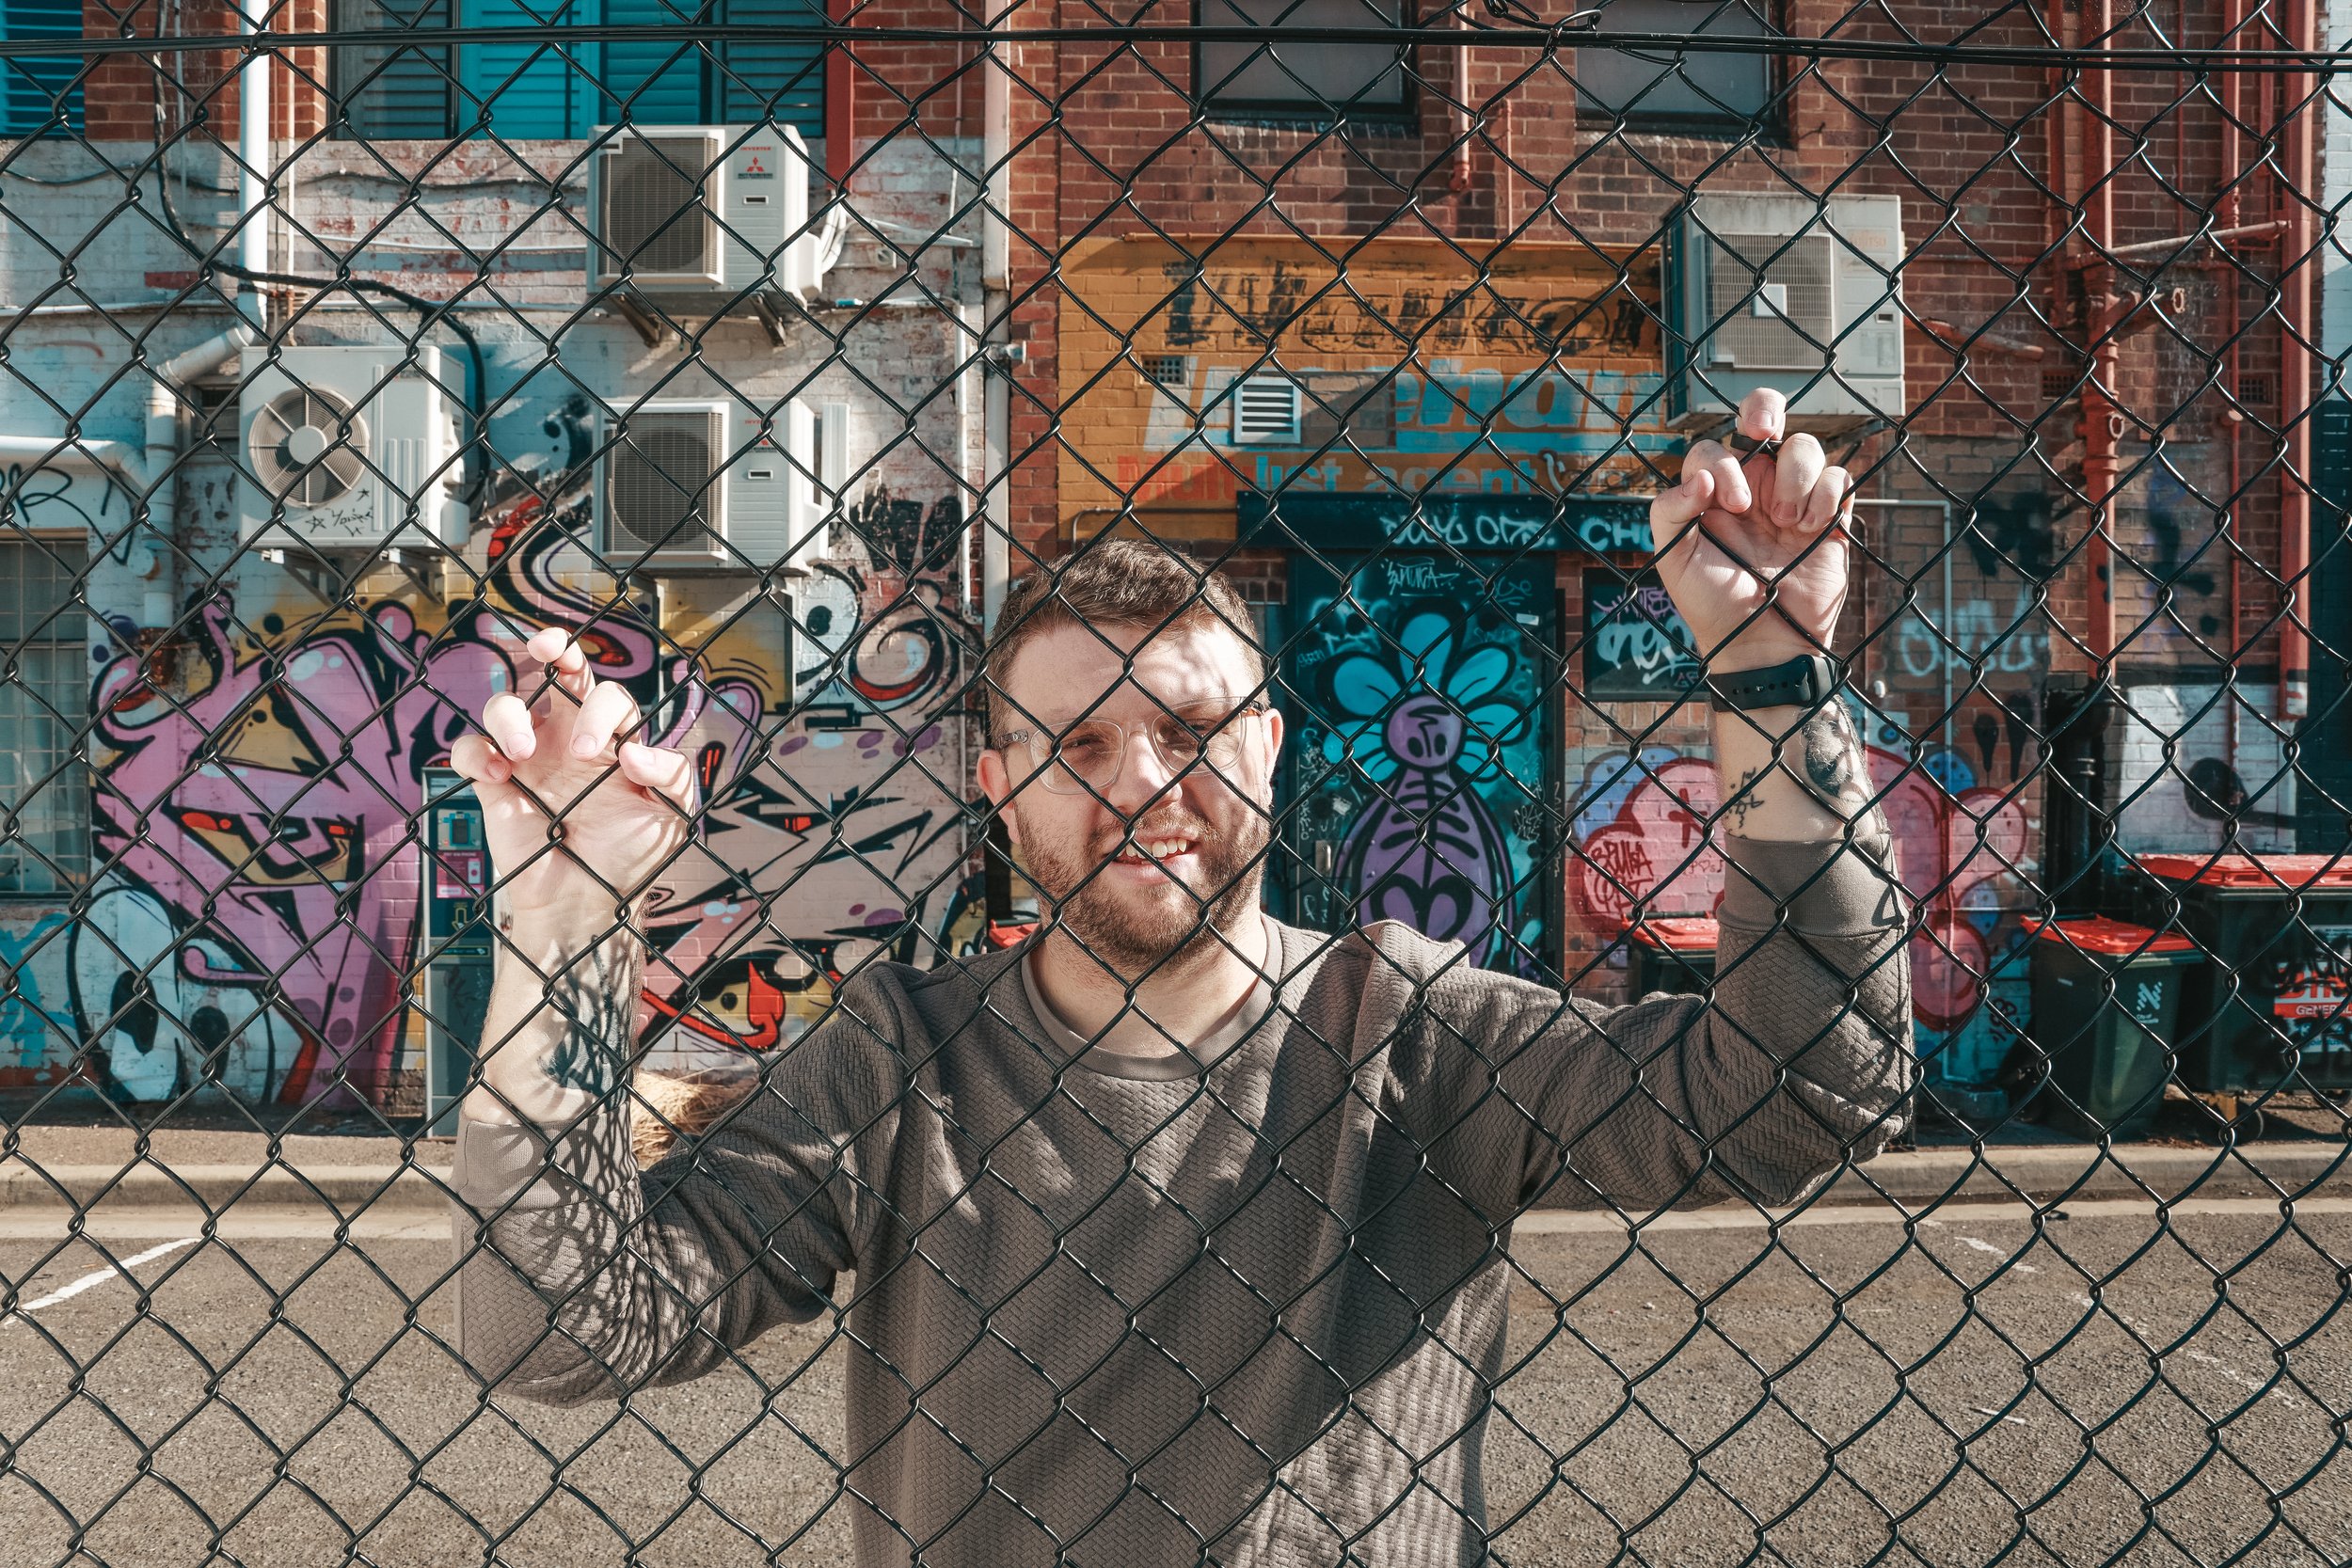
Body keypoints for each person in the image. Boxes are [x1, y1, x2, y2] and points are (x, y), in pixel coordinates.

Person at [447, 388, 1914, 1566]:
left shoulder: (1410, 1033)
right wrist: (564, 922)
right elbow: (554, 1332)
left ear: (1270, 746)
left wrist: (1774, 679)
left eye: (1189, 727)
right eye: (1080, 745)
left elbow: (1804, 1098)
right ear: (998, 782)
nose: (1142, 780)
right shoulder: (901, 1065)